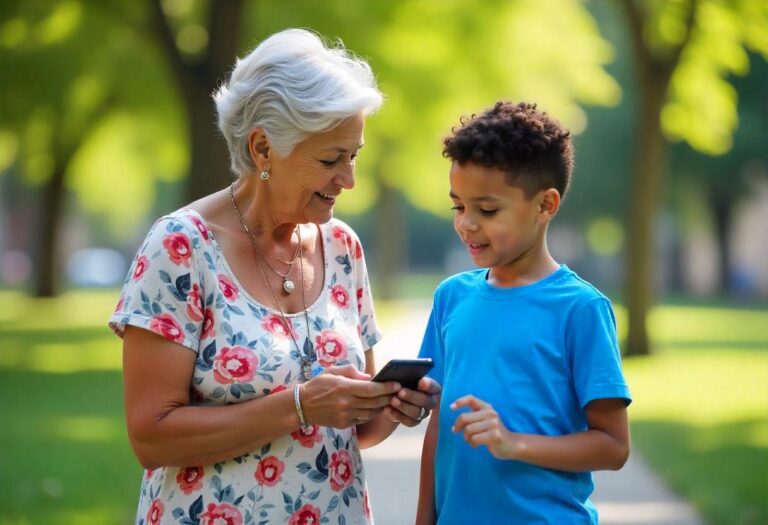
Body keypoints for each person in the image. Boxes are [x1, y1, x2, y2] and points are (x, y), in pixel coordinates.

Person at [109, 28, 438, 525]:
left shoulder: (343, 247)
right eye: (331, 159)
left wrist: (387, 406)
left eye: (354, 155)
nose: (348, 179)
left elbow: (354, 432)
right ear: (263, 148)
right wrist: (300, 406)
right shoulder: (180, 248)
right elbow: (150, 437)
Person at [415, 101, 632, 524]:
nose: (467, 224)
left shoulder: (581, 309)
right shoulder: (451, 298)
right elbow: (440, 425)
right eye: (458, 206)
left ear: (545, 205)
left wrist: (514, 443)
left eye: (488, 210)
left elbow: (613, 445)